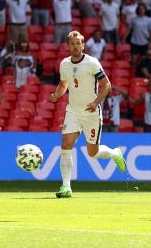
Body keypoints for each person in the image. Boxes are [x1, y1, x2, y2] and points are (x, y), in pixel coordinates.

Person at [49, 31, 127, 198]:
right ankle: (66, 187)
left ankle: (114, 154)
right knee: (66, 143)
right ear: (68, 46)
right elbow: (64, 84)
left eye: (78, 43)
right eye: (72, 43)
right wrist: (57, 95)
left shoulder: (92, 63)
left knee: (92, 153)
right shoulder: (64, 64)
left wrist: (96, 102)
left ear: (83, 45)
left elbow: (107, 85)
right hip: (73, 111)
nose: (76, 46)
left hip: (91, 112)